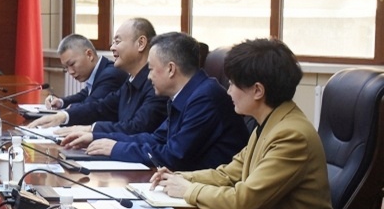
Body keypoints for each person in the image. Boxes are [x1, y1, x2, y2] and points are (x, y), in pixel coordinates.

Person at [151, 38, 349, 209]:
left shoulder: (291, 136)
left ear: (257, 91)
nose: (228, 91)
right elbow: (228, 174)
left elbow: (244, 200)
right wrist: (179, 177)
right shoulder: (269, 124)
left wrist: (189, 190)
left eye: (233, 84)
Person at [85, 32, 248, 170]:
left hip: (212, 188)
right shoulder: (187, 93)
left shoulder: (205, 97)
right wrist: (98, 138)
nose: (149, 77)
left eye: (151, 69)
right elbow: (157, 138)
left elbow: (174, 156)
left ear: (171, 69)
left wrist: (116, 149)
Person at [58, 18, 168, 147]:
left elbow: (137, 127)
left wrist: (91, 130)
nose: (112, 47)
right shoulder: (131, 80)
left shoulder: (156, 85)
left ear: (141, 43)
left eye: (117, 42)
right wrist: (64, 116)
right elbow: (102, 107)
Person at [29, 34, 125, 128]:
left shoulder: (110, 74)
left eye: (72, 64)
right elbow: (83, 95)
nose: (70, 72)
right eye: (66, 67)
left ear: (89, 55)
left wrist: (67, 113)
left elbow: (91, 107)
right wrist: (60, 102)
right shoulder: (101, 71)